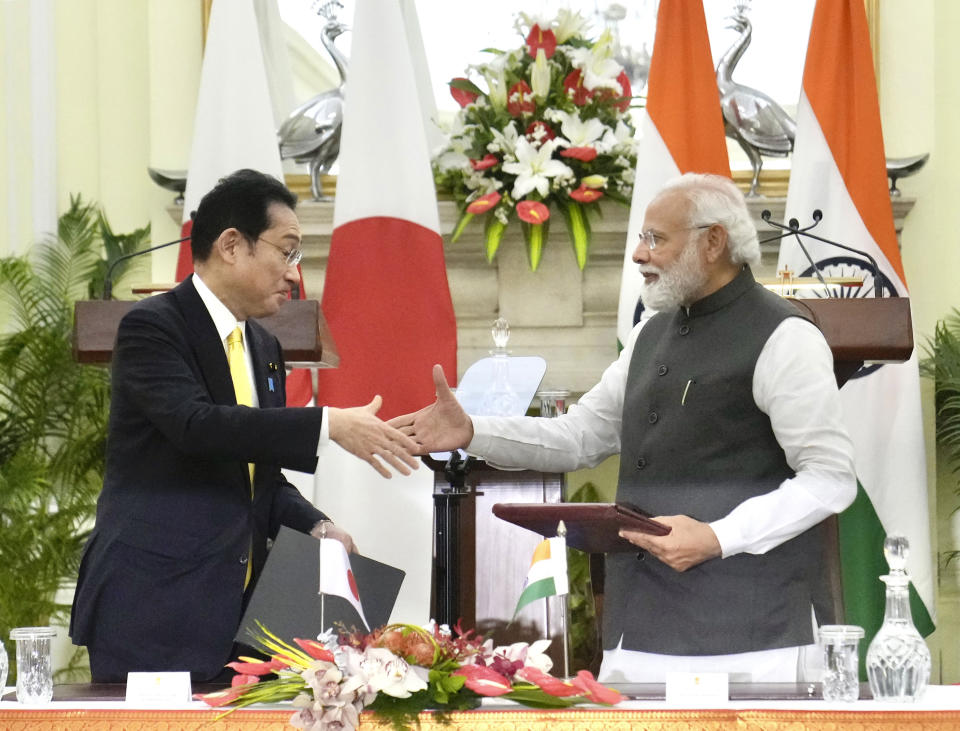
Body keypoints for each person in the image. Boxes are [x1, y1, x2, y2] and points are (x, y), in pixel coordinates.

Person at [391, 173, 856, 683]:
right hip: (639, 633)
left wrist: (719, 537)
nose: (638, 254)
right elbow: (580, 435)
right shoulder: (647, 336)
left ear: (714, 241)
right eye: (641, 237)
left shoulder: (785, 337)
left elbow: (829, 478)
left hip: (754, 637)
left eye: (656, 238)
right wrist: (472, 430)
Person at [70, 169, 419, 682]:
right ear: (232, 245)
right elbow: (196, 426)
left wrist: (318, 525)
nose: (293, 274)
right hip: (154, 609)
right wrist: (327, 423)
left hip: (243, 621)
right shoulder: (153, 327)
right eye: (287, 250)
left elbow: (258, 476)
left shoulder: (263, 348)